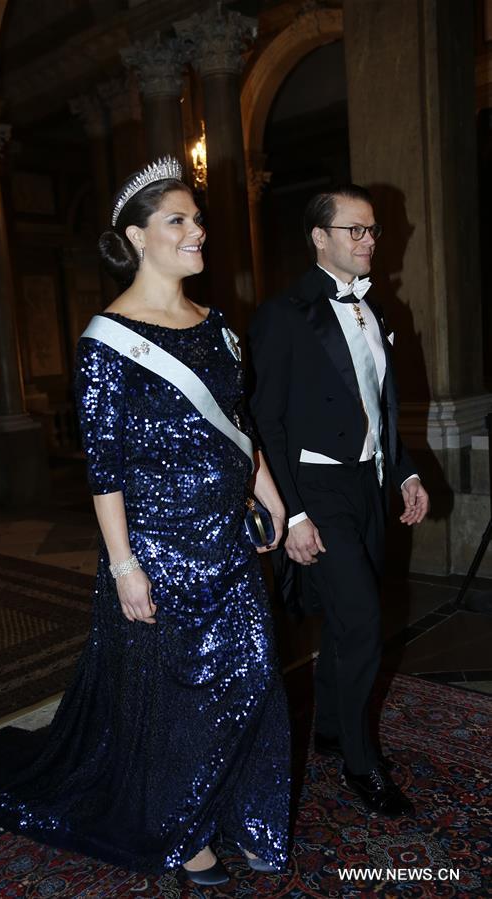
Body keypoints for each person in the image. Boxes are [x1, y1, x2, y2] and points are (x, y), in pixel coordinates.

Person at [0, 158, 290, 885]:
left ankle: (248, 808)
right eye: (178, 220)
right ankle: (183, 828)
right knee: (174, 692)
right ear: (137, 236)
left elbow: (239, 421)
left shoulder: (216, 324)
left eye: (196, 219)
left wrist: (270, 492)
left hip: (227, 538)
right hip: (158, 548)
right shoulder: (109, 338)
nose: (196, 230)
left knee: (252, 672)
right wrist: (125, 565)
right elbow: (102, 465)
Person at [248, 184, 430, 818]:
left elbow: (381, 405)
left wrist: (404, 472)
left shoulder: (378, 312)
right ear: (319, 238)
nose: (370, 241)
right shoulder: (283, 314)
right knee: (362, 623)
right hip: (316, 489)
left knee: (346, 614)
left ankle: (328, 726)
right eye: (355, 230)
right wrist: (290, 512)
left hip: (369, 485)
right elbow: (263, 421)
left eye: (373, 230)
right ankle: (361, 764)